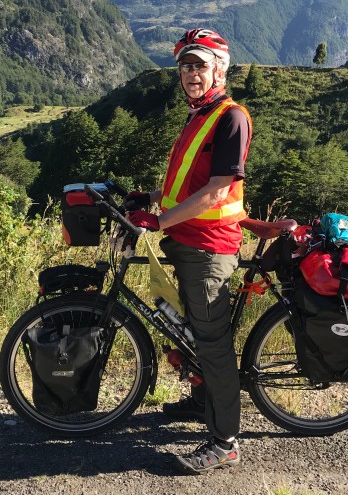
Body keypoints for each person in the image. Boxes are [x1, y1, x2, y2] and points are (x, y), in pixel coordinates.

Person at [126, 28, 252, 474]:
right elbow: (187, 184)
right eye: (185, 65)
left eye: (200, 65)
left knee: (213, 345)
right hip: (187, 241)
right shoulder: (200, 116)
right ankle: (202, 402)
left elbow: (217, 191)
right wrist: (150, 198)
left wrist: (159, 221)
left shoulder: (231, 118)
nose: (191, 73)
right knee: (188, 330)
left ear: (220, 70)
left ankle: (226, 442)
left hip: (209, 247)